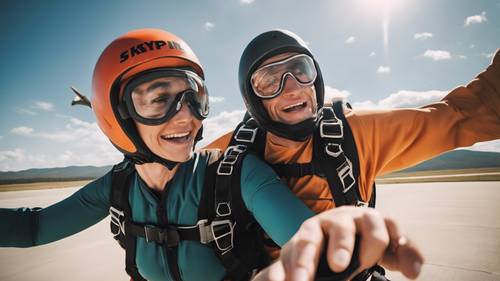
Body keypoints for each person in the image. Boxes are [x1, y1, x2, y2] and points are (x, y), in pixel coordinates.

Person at [0, 28, 423, 281]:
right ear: (118, 115)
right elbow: (34, 228)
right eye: (158, 99)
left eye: (192, 97)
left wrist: (335, 232)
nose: (185, 116)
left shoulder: (235, 174)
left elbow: (305, 237)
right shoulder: (117, 187)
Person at [206, 29, 500, 280]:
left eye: (300, 70)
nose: (292, 88)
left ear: (316, 79)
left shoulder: (355, 135)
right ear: (252, 98)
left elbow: (464, 114)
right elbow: (168, 176)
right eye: (269, 80)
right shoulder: (230, 151)